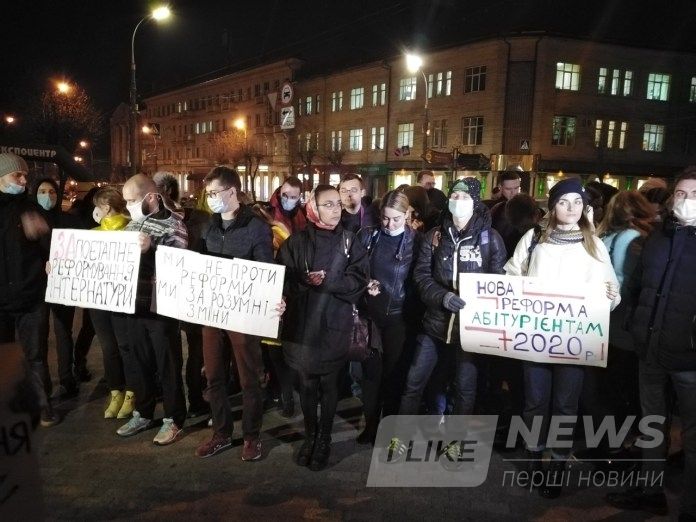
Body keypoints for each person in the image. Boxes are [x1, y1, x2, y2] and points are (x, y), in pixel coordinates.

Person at [505, 177, 620, 499]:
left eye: (578, 202)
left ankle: (557, 464)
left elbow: (610, 290)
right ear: (552, 206)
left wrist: (611, 296)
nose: (571, 208)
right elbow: (512, 273)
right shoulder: (534, 237)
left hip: (574, 342)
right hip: (535, 338)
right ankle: (533, 458)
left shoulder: (593, 243)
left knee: (566, 406)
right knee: (535, 402)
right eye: (564, 202)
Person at [606, 167, 696, 520]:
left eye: (694, 195)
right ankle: (651, 491)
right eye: (681, 194)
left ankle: (690, 508)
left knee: (692, 436)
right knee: (652, 426)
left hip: (689, 359)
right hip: (651, 350)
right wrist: (634, 322)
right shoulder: (659, 235)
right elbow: (638, 285)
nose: (686, 200)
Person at [396, 177, 506, 455]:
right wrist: (442, 297)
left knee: (464, 387)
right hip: (435, 323)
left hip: (470, 330)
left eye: (465, 197)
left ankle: (455, 442)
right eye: (454, 196)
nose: (458, 202)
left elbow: (499, 282)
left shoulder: (490, 239)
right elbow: (421, 276)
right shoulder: (435, 236)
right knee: (414, 381)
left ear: (475, 202)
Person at [278, 184, 369, 470]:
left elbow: (359, 280)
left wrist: (330, 282)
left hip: (335, 325)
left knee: (329, 385)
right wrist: (303, 282)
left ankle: (324, 438)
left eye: (337, 204)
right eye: (327, 204)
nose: (335, 210)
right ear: (313, 208)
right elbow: (282, 280)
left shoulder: (350, 242)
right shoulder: (295, 242)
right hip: (303, 326)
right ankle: (310, 436)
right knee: (307, 385)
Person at [193, 166, 275, 461]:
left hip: (243, 316)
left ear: (232, 192)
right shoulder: (208, 226)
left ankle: (252, 436)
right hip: (212, 314)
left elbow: (267, 270)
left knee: (249, 378)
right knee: (214, 376)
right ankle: (222, 433)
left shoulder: (256, 227)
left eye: (214, 193)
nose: (210, 198)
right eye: (208, 193)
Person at [116, 174, 188, 446]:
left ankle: (174, 418)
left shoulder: (174, 225)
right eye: (125, 201)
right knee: (139, 362)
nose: (128, 206)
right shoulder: (131, 226)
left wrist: (152, 249)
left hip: (161, 310)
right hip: (134, 306)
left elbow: (178, 265)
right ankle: (143, 413)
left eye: (132, 200)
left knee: (167, 364)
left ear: (151, 197)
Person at [582, 191, 655, 449]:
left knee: (605, 389)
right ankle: (615, 441)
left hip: (606, 326)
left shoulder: (612, 237)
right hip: (619, 328)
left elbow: (617, 281)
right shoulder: (634, 237)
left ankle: (608, 442)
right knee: (617, 388)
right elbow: (624, 282)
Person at [356, 191, 420, 445]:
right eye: (385, 218)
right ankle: (370, 425)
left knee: (394, 376)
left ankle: (390, 429)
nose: (390, 224)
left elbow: (420, 279)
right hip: (371, 316)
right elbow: (355, 269)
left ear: (407, 215)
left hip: (399, 319)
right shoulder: (368, 236)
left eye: (396, 219)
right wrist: (365, 283)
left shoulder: (417, 241)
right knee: (371, 375)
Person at [0, 153, 57, 426]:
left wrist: (47, 248)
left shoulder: (32, 209)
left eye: (25, 175)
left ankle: (42, 406)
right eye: (17, 175)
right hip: (1, 299)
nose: (24, 180)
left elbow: (52, 249)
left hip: (31, 296)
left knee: (35, 356)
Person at [153, 171, 210, 419]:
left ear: (165, 192)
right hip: (164, 298)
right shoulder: (148, 223)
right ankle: (177, 401)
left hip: (193, 295)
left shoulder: (201, 220)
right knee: (171, 352)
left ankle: (195, 398)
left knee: (196, 350)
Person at [32, 177, 82, 399]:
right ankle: (42, 385)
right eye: (42, 191)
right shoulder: (29, 222)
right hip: (38, 287)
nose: (48, 196)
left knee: (64, 333)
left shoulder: (68, 220)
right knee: (39, 336)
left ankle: (66, 379)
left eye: (52, 191)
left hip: (63, 284)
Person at [89, 187, 133, 419]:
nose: (95, 211)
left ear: (105, 208)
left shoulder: (131, 231)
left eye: (97, 206)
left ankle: (132, 392)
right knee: (109, 348)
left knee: (126, 347)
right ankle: (116, 391)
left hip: (122, 300)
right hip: (99, 301)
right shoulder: (92, 234)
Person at [489, 172, 523, 252]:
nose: (513, 192)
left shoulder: (526, 206)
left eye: (516, 188)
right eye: (508, 189)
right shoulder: (494, 208)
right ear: (500, 188)